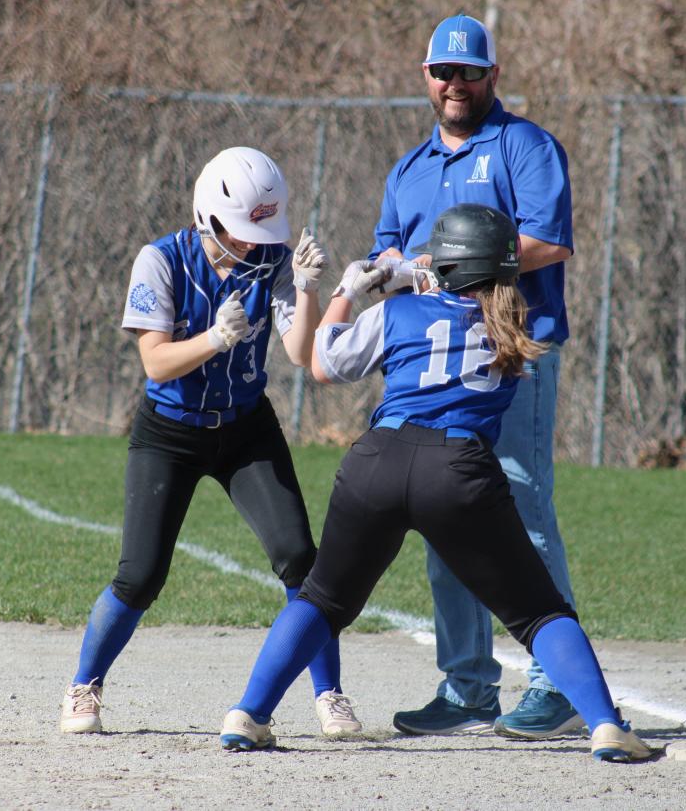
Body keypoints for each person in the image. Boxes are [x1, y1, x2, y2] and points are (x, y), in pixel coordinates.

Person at [217, 203, 655, 763]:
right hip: (458, 471)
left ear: (444, 267)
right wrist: (420, 276)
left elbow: (323, 364)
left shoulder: (399, 316)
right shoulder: (514, 328)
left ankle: (249, 715)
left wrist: (349, 292)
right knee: (540, 613)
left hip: (378, 460)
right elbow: (464, 298)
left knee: (322, 599)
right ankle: (605, 725)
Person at [59, 146, 360, 738]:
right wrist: (214, 340)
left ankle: (330, 692)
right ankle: (84, 684)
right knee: (141, 575)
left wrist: (304, 290)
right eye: (241, 230)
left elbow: (301, 354)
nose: (252, 243)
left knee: (302, 559)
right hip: (170, 432)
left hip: (245, 428)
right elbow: (155, 363)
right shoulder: (161, 260)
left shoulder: (270, 257)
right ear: (207, 217)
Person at [372, 14, 581, 740]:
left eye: (469, 71)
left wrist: (455, 267)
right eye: (443, 72)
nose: (455, 83)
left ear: (493, 74)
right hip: (434, 371)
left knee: (523, 513)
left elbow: (550, 241)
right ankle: (467, 687)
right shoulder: (409, 169)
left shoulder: (522, 145)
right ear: (425, 77)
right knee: (444, 519)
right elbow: (391, 261)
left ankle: (555, 683)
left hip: (509, 354)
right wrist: (382, 276)